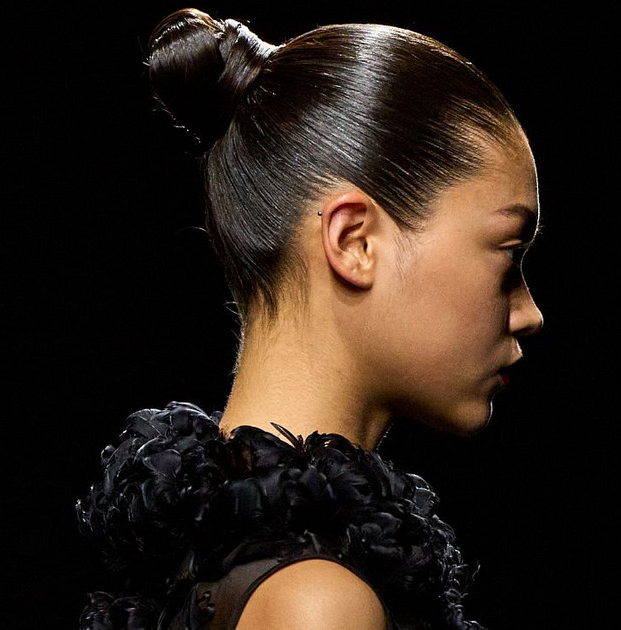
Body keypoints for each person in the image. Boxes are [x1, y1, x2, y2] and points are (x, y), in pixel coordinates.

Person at [76, 7, 544, 630]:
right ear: (354, 241)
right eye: (509, 255)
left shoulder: (197, 553)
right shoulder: (318, 604)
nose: (530, 313)